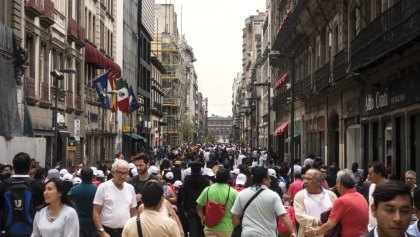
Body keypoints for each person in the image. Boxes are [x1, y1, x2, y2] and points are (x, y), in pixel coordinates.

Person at [231, 167, 296, 237]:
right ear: (264, 180)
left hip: (247, 234)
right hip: (267, 234)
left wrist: (239, 228)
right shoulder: (273, 195)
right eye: (269, 178)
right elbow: (283, 215)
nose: (270, 180)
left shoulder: (242, 194)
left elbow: (234, 214)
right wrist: (292, 232)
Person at [305, 169, 369, 237]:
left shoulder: (342, 201)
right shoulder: (361, 197)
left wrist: (315, 232)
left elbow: (329, 225)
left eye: (336, 183)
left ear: (339, 183)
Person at [0, 152, 44, 237]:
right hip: (33, 231)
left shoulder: (4, 185)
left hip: (9, 230)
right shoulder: (37, 185)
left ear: (13, 167)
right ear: (29, 167)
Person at [93, 160, 137, 237]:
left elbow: (133, 212)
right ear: (113, 172)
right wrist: (102, 232)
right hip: (107, 232)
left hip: (125, 232)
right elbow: (96, 212)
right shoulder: (103, 187)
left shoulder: (130, 188)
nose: (122, 176)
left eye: (125, 173)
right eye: (119, 172)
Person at [293, 169, 337, 237]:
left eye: (309, 179)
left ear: (319, 182)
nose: (305, 182)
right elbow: (300, 216)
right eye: (304, 178)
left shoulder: (331, 195)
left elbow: (337, 215)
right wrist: (318, 222)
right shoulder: (300, 196)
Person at [196, 167, 238, 236]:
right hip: (226, 229)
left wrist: (202, 217)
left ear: (216, 177)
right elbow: (237, 211)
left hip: (209, 228)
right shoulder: (233, 192)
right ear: (228, 179)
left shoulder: (207, 189)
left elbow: (198, 207)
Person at [182, 161, 209, 237]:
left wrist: (185, 210)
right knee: (201, 229)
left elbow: (184, 196)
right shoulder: (205, 181)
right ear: (200, 170)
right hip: (202, 208)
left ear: (191, 170)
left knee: (192, 229)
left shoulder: (187, 181)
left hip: (191, 208)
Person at [69, 168, 98, 237]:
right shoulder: (97, 190)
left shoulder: (74, 190)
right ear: (92, 176)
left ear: (81, 176)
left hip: (78, 221)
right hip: (93, 222)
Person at [367, 161, 388, 231]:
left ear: (379, 173)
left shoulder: (389, 189)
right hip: (371, 229)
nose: (368, 176)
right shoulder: (371, 186)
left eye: (370, 174)